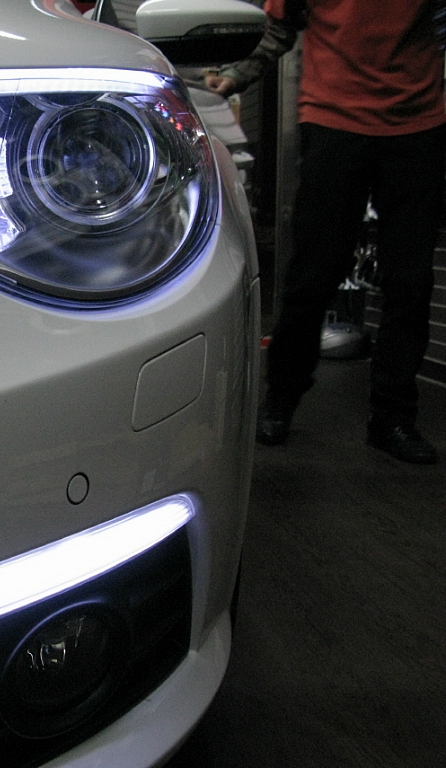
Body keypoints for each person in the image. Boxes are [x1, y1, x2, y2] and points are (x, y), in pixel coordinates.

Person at [207, 0, 445, 464]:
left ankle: (393, 418)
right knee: (314, 275)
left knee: (411, 282)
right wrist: (235, 76)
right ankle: (280, 402)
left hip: (418, 122)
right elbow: (278, 29)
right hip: (335, 117)